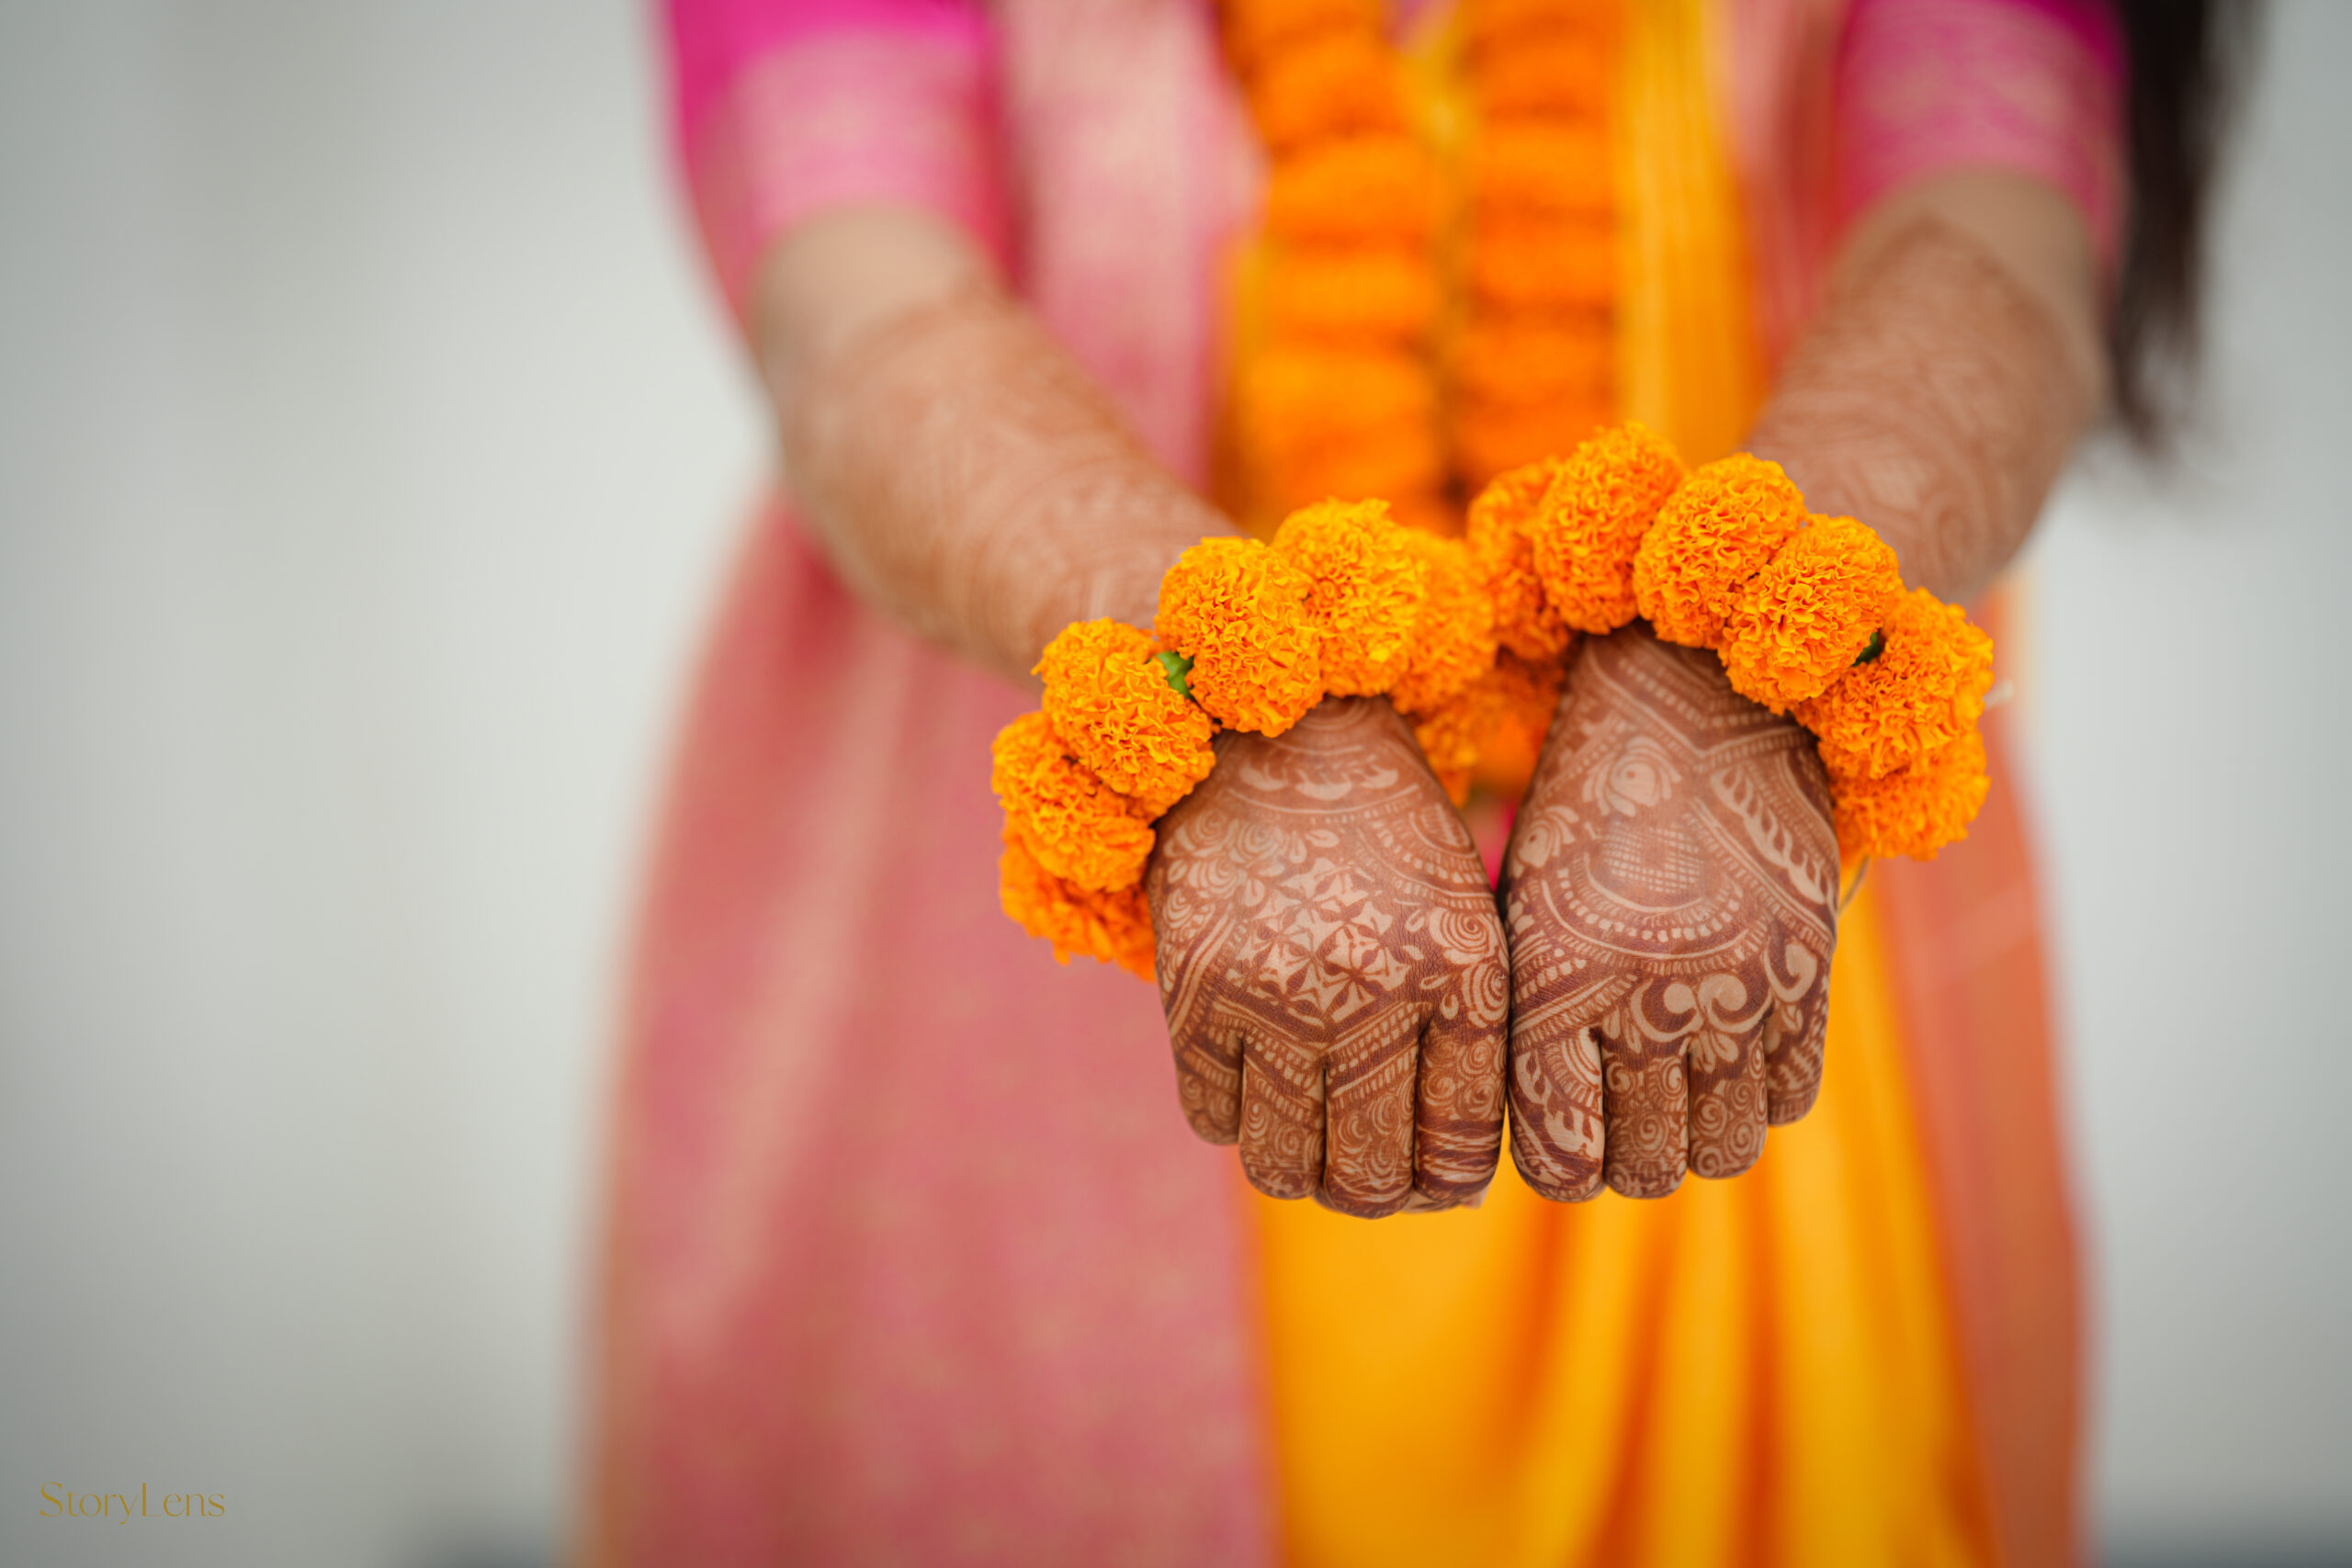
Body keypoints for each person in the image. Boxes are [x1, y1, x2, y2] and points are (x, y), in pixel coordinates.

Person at [584, 1, 2241, 1563]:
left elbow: (1996, 240)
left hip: (1749, 921)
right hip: (1032, 978)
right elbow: (860, 312)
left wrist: (1740, 673)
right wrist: (1229, 703)